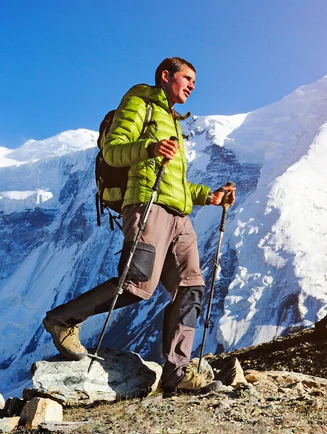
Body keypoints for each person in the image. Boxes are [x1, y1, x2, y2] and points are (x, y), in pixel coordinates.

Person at [43, 57, 235, 397]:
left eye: (194, 81)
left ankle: (178, 372)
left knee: (190, 287)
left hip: (179, 216)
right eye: (187, 78)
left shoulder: (173, 122)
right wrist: (149, 148)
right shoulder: (140, 102)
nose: (192, 86)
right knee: (136, 285)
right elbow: (113, 151)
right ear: (166, 76)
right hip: (145, 207)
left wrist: (211, 196)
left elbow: (176, 183)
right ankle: (62, 319)